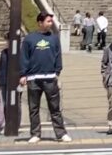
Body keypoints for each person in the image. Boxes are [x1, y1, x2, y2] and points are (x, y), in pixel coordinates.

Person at [20, 12, 71, 144]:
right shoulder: (29, 39)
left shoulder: (54, 38)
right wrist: (23, 74)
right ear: (40, 22)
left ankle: (61, 133)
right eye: (48, 21)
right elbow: (24, 57)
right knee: (34, 108)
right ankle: (35, 134)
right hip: (33, 78)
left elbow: (58, 56)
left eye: (51, 21)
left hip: (50, 77)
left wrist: (57, 72)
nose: (50, 24)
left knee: (55, 108)